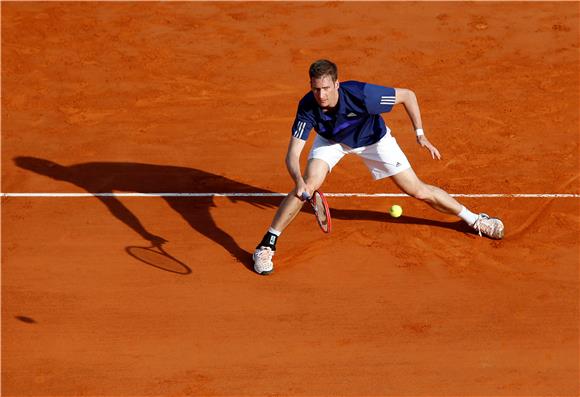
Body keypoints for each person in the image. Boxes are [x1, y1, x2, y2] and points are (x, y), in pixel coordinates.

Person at [253, 59, 504, 275]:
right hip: (332, 141)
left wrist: (420, 134)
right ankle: (266, 245)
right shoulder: (308, 106)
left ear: (337, 84)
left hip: (373, 140)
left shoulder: (362, 95)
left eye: (326, 88)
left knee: (417, 190)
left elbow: (408, 95)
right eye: (316, 89)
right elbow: (292, 155)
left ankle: (474, 220)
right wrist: (300, 182)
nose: (321, 95)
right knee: (305, 185)